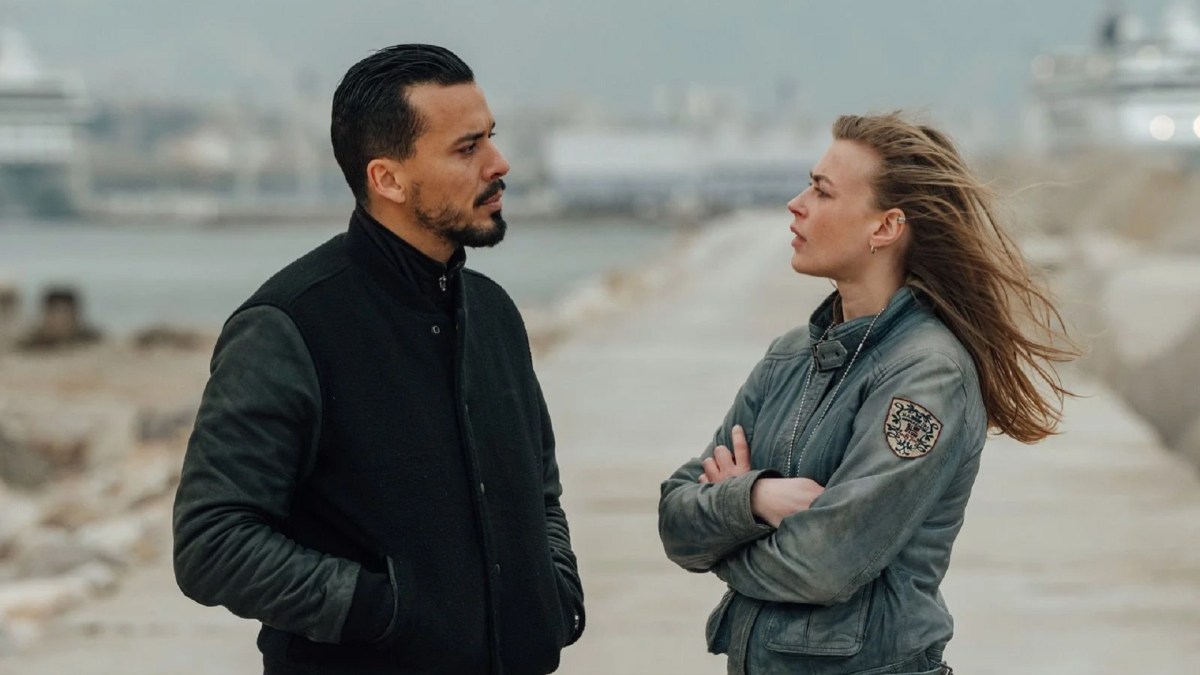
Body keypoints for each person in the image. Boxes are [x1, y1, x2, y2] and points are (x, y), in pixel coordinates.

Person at [173, 44, 584, 675]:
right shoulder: (288, 326)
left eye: (490, 138)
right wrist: (384, 612)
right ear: (387, 179)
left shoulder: (494, 312)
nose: (498, 164)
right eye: (466, 148)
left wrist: (554, 596)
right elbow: (212, 541)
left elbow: (540, 492)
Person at [658, 113, 1078, 675]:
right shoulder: (790, 357)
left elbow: (823, 565)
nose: (796, 204)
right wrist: (756, 499)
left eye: (822, 191)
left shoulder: (926, 375)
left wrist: (723, 540)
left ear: (885, 227)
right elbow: (675, 517)